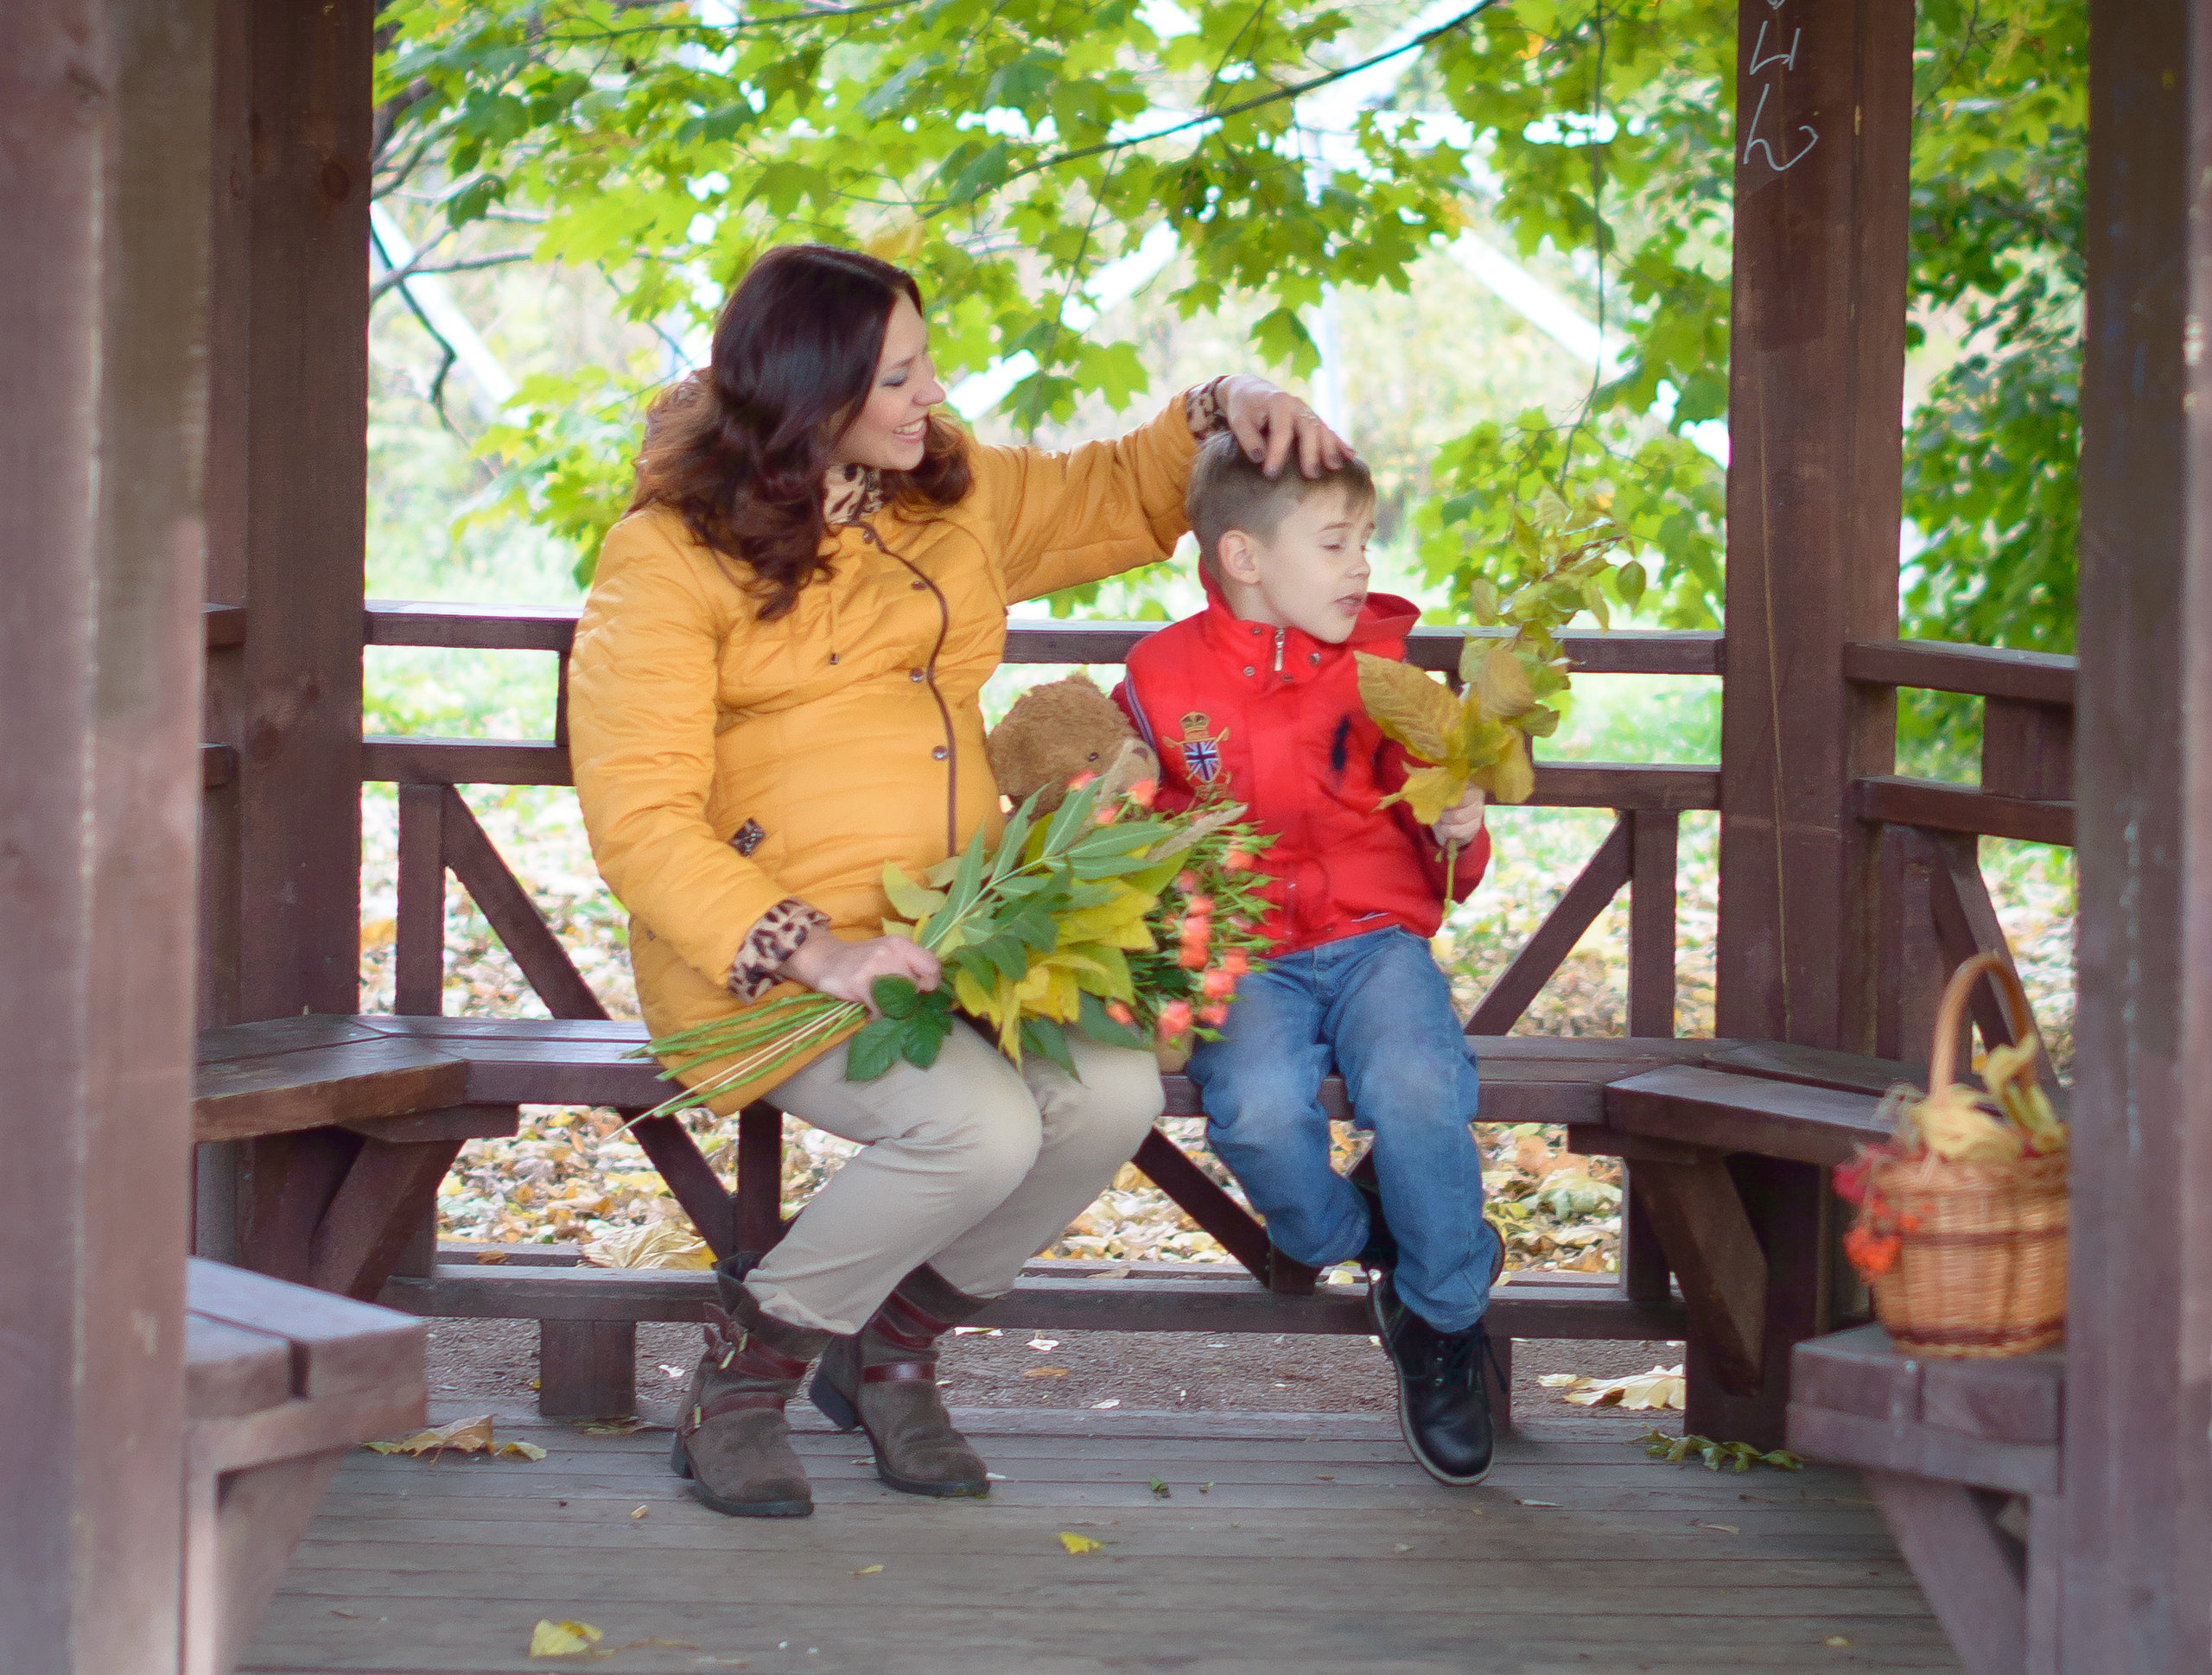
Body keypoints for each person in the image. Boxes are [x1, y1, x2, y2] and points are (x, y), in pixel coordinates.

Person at [566, 244, 1350, 1519]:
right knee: (976, 1125)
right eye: (899, 375)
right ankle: (748, 1377)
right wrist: (814, 949)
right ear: (811, 391)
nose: (931, 393)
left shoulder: (941, 496)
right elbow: (638, 819)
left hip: (962, 929)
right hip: (770, 966)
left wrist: (1225, 400)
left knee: (1105, 1091)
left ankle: (890, 1352)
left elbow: (1106, 490)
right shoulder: (664, 557)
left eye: (928, 363)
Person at [1111, 433, 1506, 1485]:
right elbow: (1132, 808)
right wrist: (1113, 822)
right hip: (1246, 953)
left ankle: (1441, 1319)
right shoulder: (1159, 675)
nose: (1361, 566)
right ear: (1243, 557)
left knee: (1422, 1089)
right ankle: (1372, 1238)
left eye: (1366, 541)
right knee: (1258, 1115)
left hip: (1374, 940)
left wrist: (1458, 819)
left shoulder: (1384, 674)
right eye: (1334, 544)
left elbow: (1438, 803)